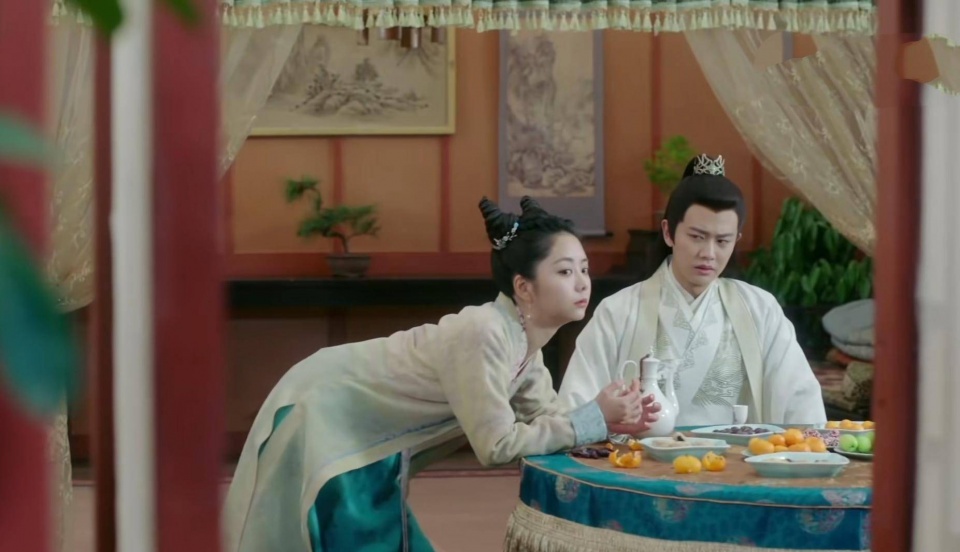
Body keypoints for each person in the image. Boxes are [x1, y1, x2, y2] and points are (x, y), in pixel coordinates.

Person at [222, 196, 660, 552]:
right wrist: (592, 417)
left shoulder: (522, 342)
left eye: (584, 269)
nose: (582, 282)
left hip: (367, 433)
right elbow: (498, 446)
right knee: (356, 531)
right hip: (326, 412)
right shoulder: (485, 332)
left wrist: (612, 423)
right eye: (565, 271)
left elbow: (550, 418)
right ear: (524, 287)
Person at [558, 154, 826, 427]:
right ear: (668, 232)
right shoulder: (619, 310)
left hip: (738, 455)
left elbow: (800, 401)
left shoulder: (759, 308)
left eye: (722, 241)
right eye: (697, 237)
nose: (708, 253)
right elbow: (578, 407)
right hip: (637, 455)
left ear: (736, 240)